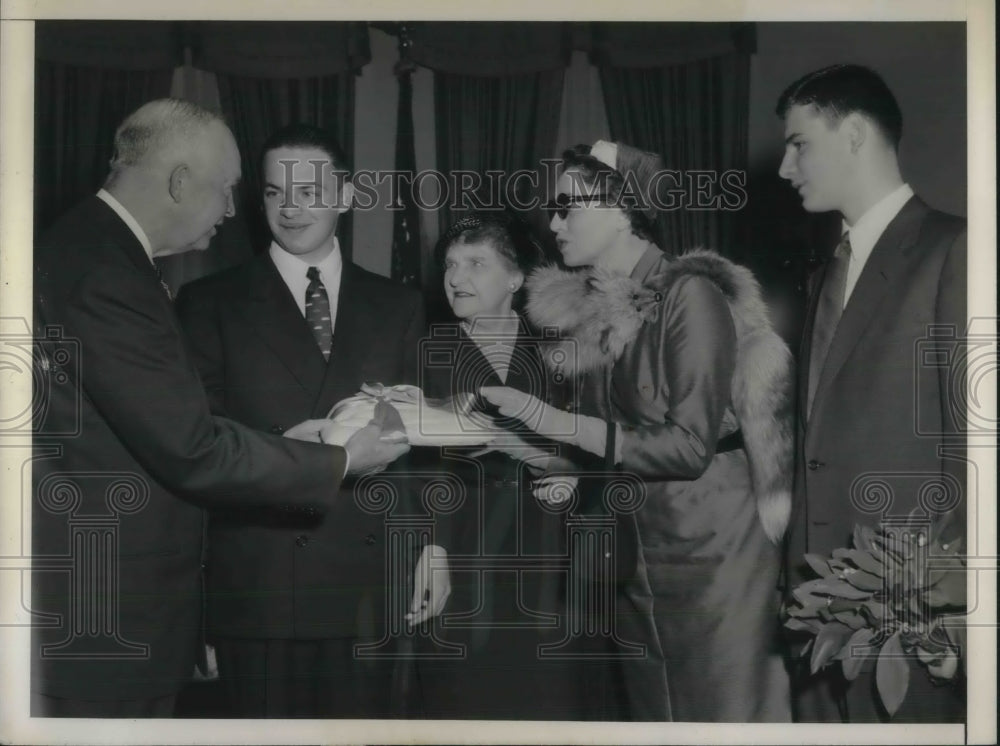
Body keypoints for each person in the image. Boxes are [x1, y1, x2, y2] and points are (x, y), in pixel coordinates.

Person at [30, 100, 408, 718]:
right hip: (108, 609)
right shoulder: (107, 270)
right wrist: (337, 458)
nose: (234, 211)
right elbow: (191, 446)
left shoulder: (93, 250)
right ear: (181, 182)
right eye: (232, 191)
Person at [479, 141, 795, 721]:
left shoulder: (690, 296)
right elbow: (611, 438)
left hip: (713, 551)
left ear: (621, 207)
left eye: (566, 207)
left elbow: (691, 444)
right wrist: (541, 456)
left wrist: (559, 425)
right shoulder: (600, 305)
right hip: (636, 548)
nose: (553, 224)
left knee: (722, 718)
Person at [174, 123, 427, 718]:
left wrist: (430, 550)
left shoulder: (399, 305)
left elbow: (421, 443)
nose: (291, 208)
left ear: (345, 195)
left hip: (372, 581)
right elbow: (192, 444)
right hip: (258, 582)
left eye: (311, 192)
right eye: (274, 192)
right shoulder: (209, 302)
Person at [776, 64, 967, 723]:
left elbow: (974, 454)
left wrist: (945, 617)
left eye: (798, 143)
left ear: (854, 134)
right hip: (817, 614)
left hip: (909, 620)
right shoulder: (825, 268)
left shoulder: (956, 250)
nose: (783, 166)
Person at [411, 211, 583, 719]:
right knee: (462, 697)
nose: (456, 278)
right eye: (450, 264)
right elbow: (417, 469)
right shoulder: (427, 350)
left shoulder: (561, 349)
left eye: (475, 264)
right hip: (461, 548)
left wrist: (556, 468)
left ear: (514, 279)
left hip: (551, 555)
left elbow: (592, 451)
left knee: (548, 700)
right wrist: (433, 546)